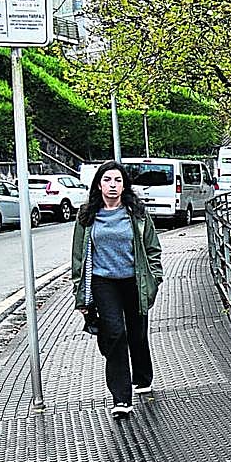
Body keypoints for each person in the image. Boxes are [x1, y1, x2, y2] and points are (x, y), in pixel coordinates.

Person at [71, 161, 163, 419]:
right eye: (108, 180)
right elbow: (78, 257)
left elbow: (153, 249)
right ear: (98, 184)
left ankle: (143, 376)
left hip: (135, 280)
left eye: (118, 180)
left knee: (137, 334)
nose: (113, 185)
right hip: (103, 282)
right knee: (114, 334)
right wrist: (79, 294)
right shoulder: (87, 217)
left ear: (125, 185)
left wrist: (155, 278)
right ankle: (121, 398)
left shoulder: (136, 213)